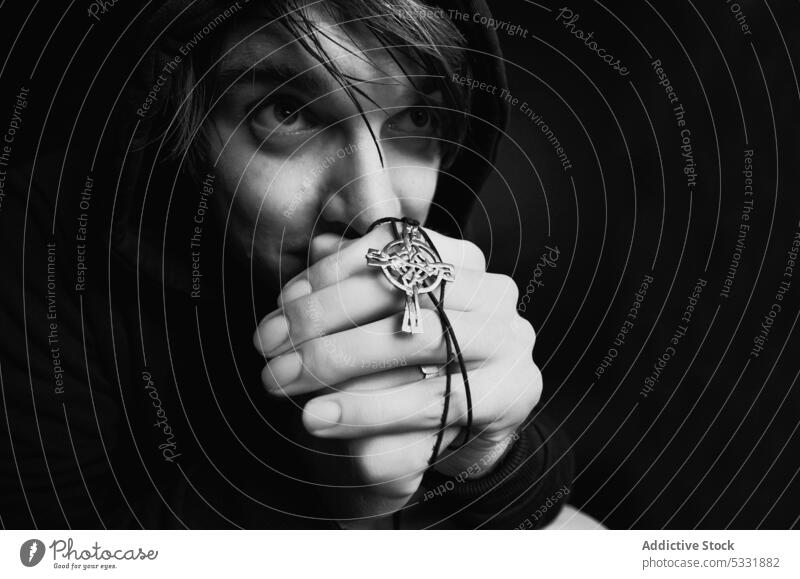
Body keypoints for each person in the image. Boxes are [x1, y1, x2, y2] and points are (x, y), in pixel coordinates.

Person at [0, 0, 578, 529]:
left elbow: (541, 498)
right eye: (286, 113)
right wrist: (337, 507)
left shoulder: (418, 241)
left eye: (419, 119)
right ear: (184, 120)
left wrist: (488, 453)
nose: (375, 208)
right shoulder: (36, 246)